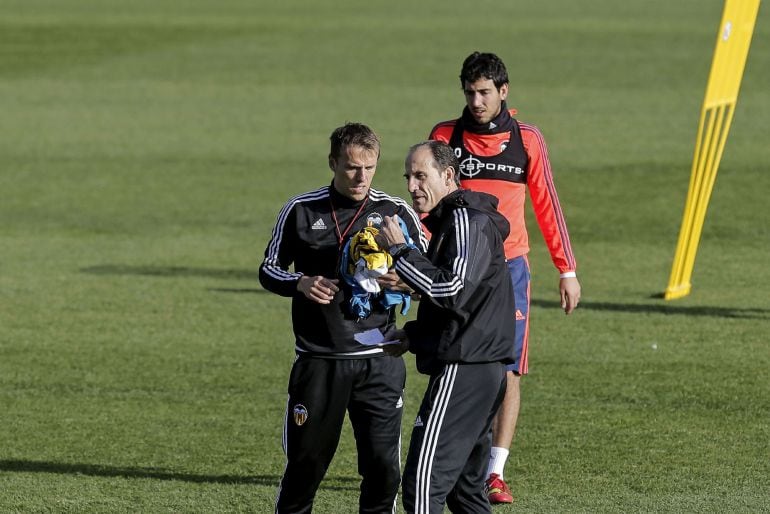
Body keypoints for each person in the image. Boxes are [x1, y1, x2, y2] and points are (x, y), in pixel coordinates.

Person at [428, 51, 581, 504]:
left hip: (510, 270)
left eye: (484, 93)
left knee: (508, 368)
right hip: (456, 268)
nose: (476, 102)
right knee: (445, 359)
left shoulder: (526, 139)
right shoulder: (444, 137)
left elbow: (547, 205)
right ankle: (447, 455)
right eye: (470, 93)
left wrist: (566, 269)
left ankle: (494, 471)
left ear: (503, 92)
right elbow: (427, 201)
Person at [259, 122, 427, 514]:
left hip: (379, 361)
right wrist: (300, 282)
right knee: (305, 469)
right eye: (352, 167)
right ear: (333, 162)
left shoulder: (394, 212)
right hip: (321, 361)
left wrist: (403, 282)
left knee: (385, 471)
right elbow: (268, 269)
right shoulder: (302, 210)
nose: (361, 177)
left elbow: (429, 279)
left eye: (369, 167)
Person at [377, 140, 516, 513]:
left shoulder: (466, 220)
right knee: (465, 494)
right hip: (478, 367)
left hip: (466, 369)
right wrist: (414, 336)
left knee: (422, 489)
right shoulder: (456, 222)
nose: (412, 186)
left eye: (421, 176)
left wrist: (401, 252)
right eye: (408, 176)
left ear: (449, 176)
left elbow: (452, 290)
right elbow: (465, 304)